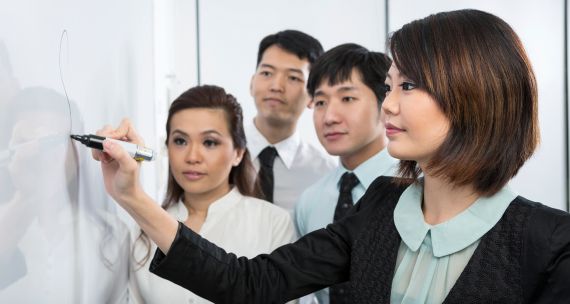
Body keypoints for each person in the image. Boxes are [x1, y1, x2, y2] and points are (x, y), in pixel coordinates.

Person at [93, 9, 570, 303]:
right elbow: (249, 283)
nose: (389, 104)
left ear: (474, 95)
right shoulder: (383, 206)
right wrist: (133, 197)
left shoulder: (549, 242)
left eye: (408, 86)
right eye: (389, 87)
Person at [126, 85, 296, 304]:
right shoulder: (144, 229)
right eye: (180, 141)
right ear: (167, 147)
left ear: (238, 153)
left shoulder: (274, 223)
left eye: (209, 142)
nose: (192, 156)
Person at [294, 43, 397, 304]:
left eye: (347, 98)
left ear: (384, 102)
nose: (329, 116)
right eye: (320, 102)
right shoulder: (309, 201)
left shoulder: (418, 187)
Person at [246, 30, 337, 212]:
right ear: (252, 83)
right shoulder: (219, 156)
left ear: (313, 96)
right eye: (266, 73)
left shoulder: (325, 175)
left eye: (293, 77)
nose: (276, 86)